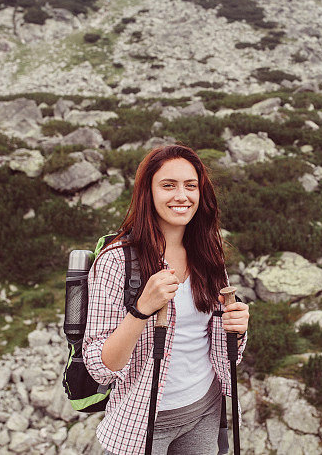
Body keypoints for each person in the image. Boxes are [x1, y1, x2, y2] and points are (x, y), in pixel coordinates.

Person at [83, 144, 250, 455]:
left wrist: (238, 331)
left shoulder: (209, 254)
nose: (181, 196)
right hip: (142, 422)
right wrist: (141, 310)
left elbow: (225, 352)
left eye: (190, 186)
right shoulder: (116, 261)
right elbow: (101, 366)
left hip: (205, 409)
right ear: (149, 192)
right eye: (168, 185)